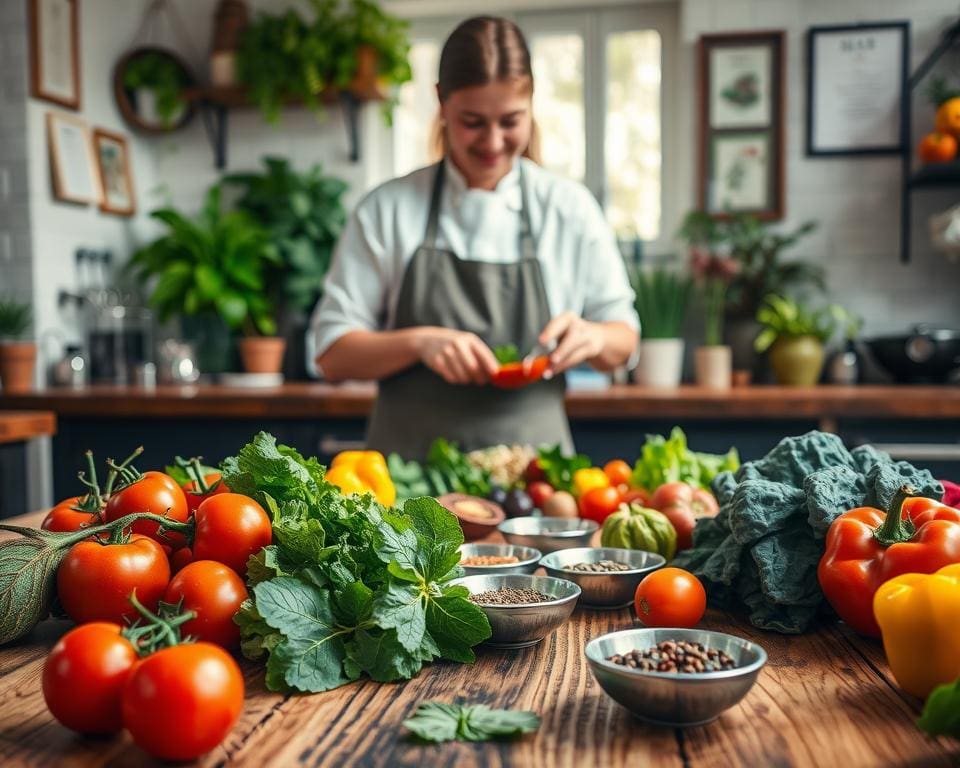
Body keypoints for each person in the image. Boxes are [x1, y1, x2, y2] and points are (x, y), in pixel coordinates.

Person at [311, 16, 639, 459]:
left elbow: (624, 339)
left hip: (537, 487)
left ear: (532, 105)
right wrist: (419, 342)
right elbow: (332, 355)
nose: (493, 141)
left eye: (510, 121)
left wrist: (595, 338)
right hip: (408, 496)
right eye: (473, 121)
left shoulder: (569, 209)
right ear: (441, 103)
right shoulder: (387, 209)